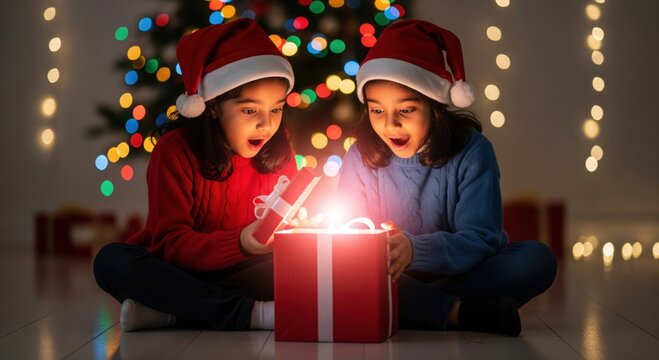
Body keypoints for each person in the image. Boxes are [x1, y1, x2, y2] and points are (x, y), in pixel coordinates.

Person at [338, 19, 557, 336]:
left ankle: (417, 309)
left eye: (406, 110)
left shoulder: (472, 152)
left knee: (536, 260)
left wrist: (414, 250)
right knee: (349, 275)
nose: (390, 125)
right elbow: (350, 244)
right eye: (377, 111)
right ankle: (458, 313)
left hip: (461, 274)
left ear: (435, 107)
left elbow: (482, 239)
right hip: (389, 277)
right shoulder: (359, 157)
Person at [93, 18, 298, 331]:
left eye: (276, 109)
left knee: (301, 271)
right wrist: (242, 242)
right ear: (214, 107)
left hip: (242, 272)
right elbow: (170, 244)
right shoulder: (174, 151)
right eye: (249, 110)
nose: (266, 125)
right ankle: (249, 314)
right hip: (177, 269)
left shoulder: (279, 155)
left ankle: (172, 312)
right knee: (111, 261)